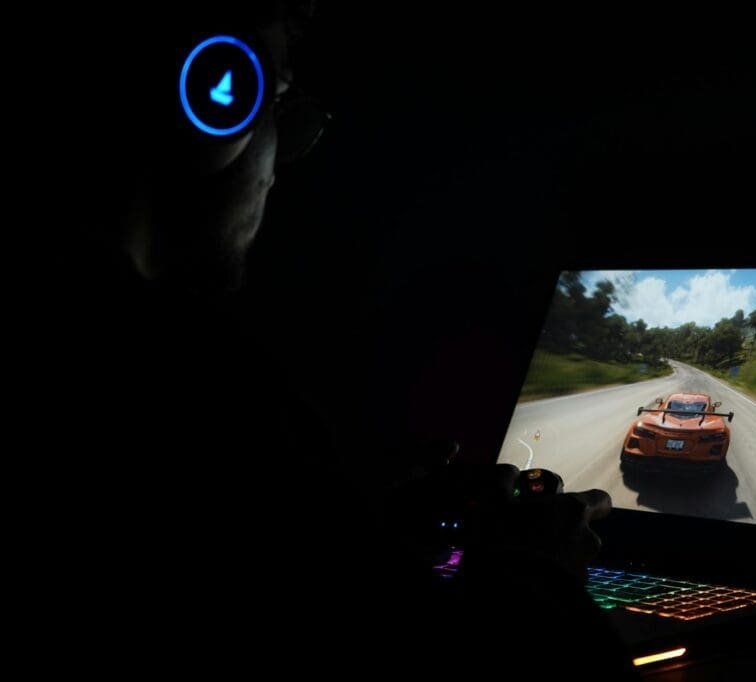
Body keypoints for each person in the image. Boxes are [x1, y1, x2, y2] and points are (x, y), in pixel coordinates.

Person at [41, 2, 633, 677]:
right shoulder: (197, 388)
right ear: (215, 91)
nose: (278, 170)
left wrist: (355, 526)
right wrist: (536, 571)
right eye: (282, 111)